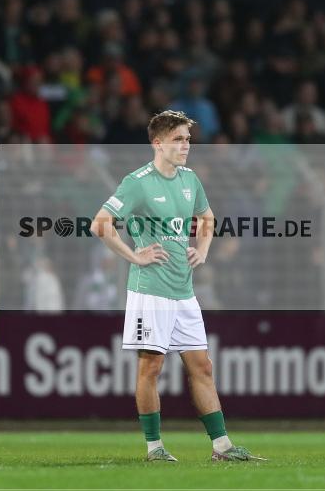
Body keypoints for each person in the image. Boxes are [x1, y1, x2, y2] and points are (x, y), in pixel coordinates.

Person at [92, 109, 265, 462]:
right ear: (158, 143)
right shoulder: (138, 182)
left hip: (184, 291)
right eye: (178, 139)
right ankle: (154, 448)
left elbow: (207, 217)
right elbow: (100, 224)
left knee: (202, 366)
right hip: (149, 290)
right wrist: (134, 256)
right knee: (151, 367)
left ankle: (222, 447)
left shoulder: (190, 179)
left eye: (188, 139)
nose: (186, 145)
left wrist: (202, 250)